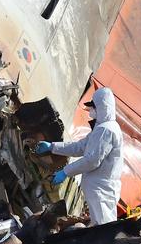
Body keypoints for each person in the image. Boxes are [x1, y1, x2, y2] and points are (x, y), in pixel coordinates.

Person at [35, 88, 123, 225]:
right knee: (100, 225)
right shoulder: (102, 128)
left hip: (101, 189)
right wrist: (52, 147)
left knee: (104, 227)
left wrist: (65, 172)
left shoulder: (106, 130)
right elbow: (80, 147)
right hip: (98, 188)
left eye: (93, 107)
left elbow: (92, 161)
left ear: (101, 107)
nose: (91, 111)